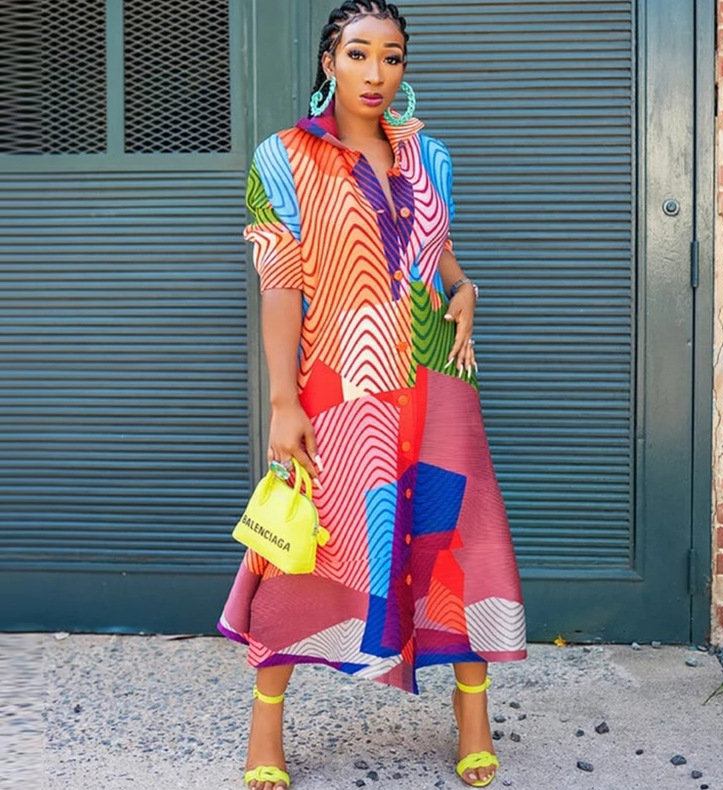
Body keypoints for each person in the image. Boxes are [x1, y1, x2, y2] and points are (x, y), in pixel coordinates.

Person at [218, 2, 527, 787]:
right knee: (304, 550)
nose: (376, 72)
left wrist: (465, 287)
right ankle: (265, 726)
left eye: (391, 56)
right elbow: (281, 286)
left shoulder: (431, 156)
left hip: (440, 381)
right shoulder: (282, 157)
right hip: (341, 387)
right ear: (329, 62)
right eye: (358, 54)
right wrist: (284, 402)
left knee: (453, 545)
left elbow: (438, 255)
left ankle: (473, 714)